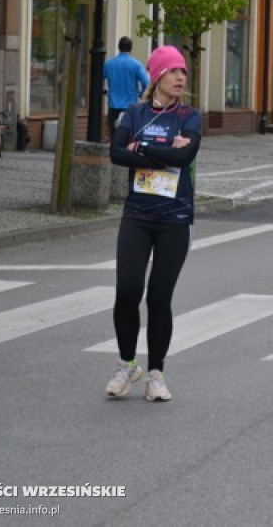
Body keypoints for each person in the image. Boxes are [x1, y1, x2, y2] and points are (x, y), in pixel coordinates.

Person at [105, 45, 202, 402]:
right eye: (174, 72)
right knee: (127, 291)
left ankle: (157, 373)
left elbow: (185, 154)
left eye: (183, 73)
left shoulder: (189, 116)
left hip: (174, 218)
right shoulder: (134, 112)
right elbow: (116, 153)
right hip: (138, 216)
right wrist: (163, 153)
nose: (180, 78)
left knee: (159, 298)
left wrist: (143, 150)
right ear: (157, 76)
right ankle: (127, 364)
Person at [103, 36, 150, 140]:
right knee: (129, 134)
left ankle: (114, 152)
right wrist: (141, 93)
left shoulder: (109, 64)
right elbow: (146, 82)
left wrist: (104, 91)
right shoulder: (136, 65)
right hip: (130, 105)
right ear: (130, 48)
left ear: (119, 47)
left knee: (113, 134)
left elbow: (98, 79)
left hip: (113, 104)